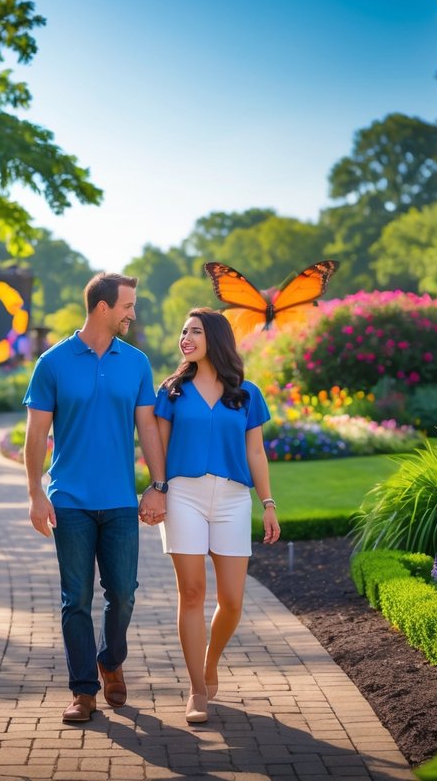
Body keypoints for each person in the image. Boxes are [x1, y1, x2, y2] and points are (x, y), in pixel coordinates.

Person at [23, 272, 169, 724]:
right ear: (102, 307)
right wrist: (34, 494)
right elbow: (36, 435)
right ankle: (83, 690)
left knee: (123, 593)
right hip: (69, 500)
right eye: (127, 305)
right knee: (76, 599)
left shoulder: (137, 363)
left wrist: (158, 486)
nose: (133, 313)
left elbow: (147, 427)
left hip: (121, 500)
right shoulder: (53, 362)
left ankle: (111, 659)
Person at [154, 307, 280, 724]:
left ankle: (211, 661)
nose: (185, 338)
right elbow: (159, 451)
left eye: (195, 331)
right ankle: (196, 690)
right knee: (191, 594)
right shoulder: (171, 391)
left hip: (232, 500)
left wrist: (268, 503)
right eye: (183, 331)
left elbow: (256, 453)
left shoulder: (246, 393)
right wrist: (156, 490)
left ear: (217, 339)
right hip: (184, 495)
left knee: (232, 601)